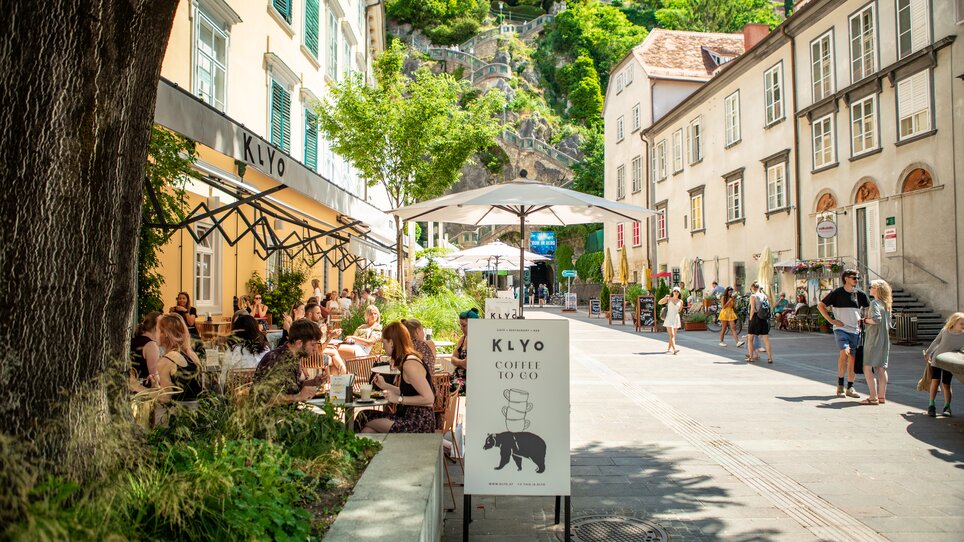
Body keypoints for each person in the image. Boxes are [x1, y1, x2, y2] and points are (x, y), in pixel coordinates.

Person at [360, 322, 436, 433]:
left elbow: (429, 399)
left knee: (363, 418)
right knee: (367, 427)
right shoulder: (406, 360)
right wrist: (385, 385)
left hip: (418, 422)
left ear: (391, 342)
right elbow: (411, 393)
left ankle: (346, 443)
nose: (383, 347)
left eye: (384, 343)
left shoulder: (410, 364)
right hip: (409, 417)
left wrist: (398, 399)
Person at [818, 269, 869, 397]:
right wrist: (831, 320)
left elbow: (868, 307)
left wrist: (864, 319)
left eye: (858, 278)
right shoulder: (837, 292)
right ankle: (840, 385)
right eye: (854, 278)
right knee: (844, 353)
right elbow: (821, 305)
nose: (857, 280)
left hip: (855, 331)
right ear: (846, 278)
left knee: (853, 358)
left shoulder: (860, 294)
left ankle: (850, 387)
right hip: (841, 329)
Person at [131, 313, 202, 403]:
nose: (155, 335)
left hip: (179, 411)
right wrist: (156, 387)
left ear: (165, 334)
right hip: (198, 409)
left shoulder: (166, 360)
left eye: (157, 330)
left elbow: (165, 399)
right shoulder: (191, 355)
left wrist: (137, 387)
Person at [254, 318, 323, 405]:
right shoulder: (276, 360)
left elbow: (291, 388)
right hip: (272, 412)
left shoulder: (294, 356)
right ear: (299, 343)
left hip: (288, 410)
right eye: (313, 345)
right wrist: (298, 397)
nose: (315, 349)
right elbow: (264, 398)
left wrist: (312, 382)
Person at [859, 280, 893, 405]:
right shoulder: (886, 304)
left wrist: (865, 320)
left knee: (867, 367)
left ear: (877, 289)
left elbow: (876, 320)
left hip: (874, 339)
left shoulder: (874, 303)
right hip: (884, 339)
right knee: (881, 368)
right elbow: (888, 323)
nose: (869, 289)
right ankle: (882, 397)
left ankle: (873, 397)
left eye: (871, 287)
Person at [924, 312, 964, 417]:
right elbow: (936, 342)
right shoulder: (945, 331)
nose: (963, 326)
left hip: (949, 362)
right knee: (935, 381)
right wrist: (928, 353)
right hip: (937, 360)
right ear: (954, 323)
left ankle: (947, 407)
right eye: (961, 323)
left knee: (946, 384)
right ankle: (931, 405)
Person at [221, 314, 270, 386]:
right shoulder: (265, 350)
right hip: (260, 390)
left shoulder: (232, 351)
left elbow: (223, 379)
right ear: (256, 330)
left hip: (236, 391)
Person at [451, 308, 479, 394]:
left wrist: (458, 362)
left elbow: (467, 364)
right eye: (460, 325)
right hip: (457, 377)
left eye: (464, 325)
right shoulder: (462, 339)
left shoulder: (477, 340)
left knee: (447, 388)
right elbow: (452, 359)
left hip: (470, 379)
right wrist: (461, 362)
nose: (461, 328)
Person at [130, 311, 162, 386]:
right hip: (143, 389)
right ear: (156, 327)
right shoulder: (151, 345)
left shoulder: (133, 340)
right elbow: (154, 378)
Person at [746, 281, 773, 363]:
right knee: (766, 339)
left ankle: (751, 357)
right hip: (763, 318)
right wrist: (763, 292)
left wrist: (750, 319)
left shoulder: (753, 296)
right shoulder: (763, 296)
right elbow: (770, 300)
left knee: (750, 338)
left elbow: (752, 309)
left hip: (755, 317)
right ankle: (770, 358)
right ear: (758, 288)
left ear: (752, 288)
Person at [658, 287, 683, 354]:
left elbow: (679, 310)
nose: (676, 292)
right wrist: (665, 298)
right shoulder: (669, 299)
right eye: (675, 291)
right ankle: (674, 350)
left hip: (676, 318)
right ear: (672, 292)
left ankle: (669, 349)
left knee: (673, 336)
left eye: (677, 291)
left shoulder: (680, 301)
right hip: (669, 318)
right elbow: (659, 302)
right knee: (671, 335)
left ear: (679, 293)